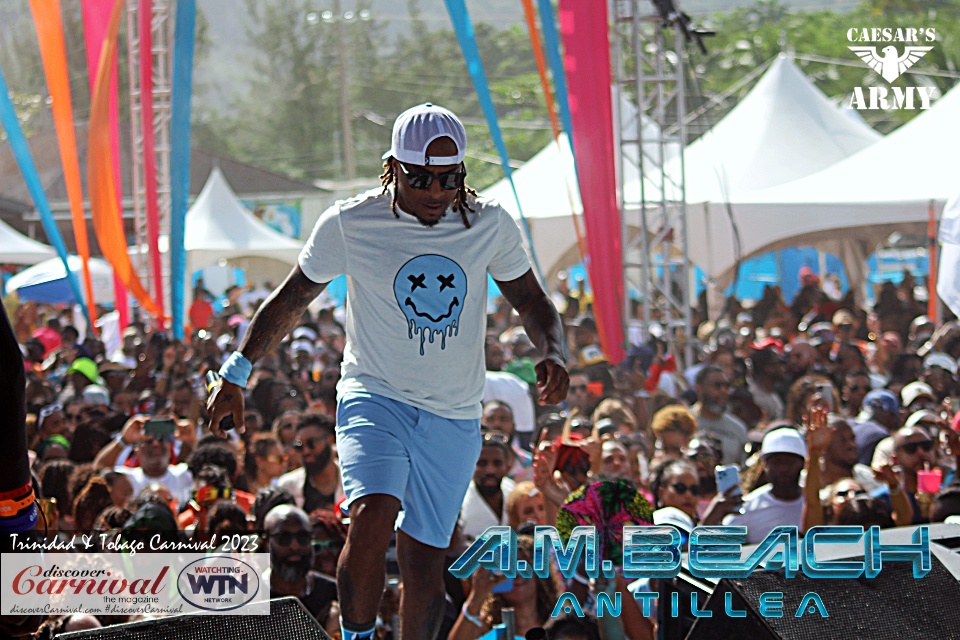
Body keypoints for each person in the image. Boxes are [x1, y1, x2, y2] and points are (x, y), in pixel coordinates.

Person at [207, 103, 568, 640]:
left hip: (453, 412)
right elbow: (290, 300)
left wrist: (553, 350)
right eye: (420, 177)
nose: (435, 191)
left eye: (448, 179)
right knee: (373, 514)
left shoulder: (489, 223)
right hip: (375, 397)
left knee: (424, 558)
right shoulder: (351, 223)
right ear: (392, 167)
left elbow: (533, 302)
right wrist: (236, 372)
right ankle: (355, 635)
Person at [723, 427, 806, 543]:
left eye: (789, 462)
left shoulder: (815, 504)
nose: (783, 468)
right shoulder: (747, 507)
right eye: (777, 462)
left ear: (802, 464)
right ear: (765, 465)